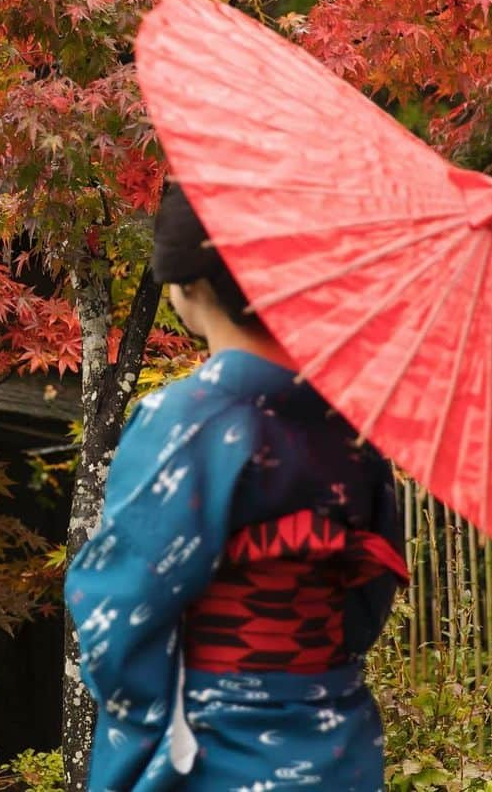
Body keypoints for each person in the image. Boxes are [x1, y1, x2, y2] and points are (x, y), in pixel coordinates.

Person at [64, 183, 408, 792]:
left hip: (216, 752)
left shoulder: (187, 418)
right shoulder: (355, 427)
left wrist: (149, 729)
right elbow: (366, 601)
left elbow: (120, 616)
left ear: (188, 284)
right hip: (340, 749)